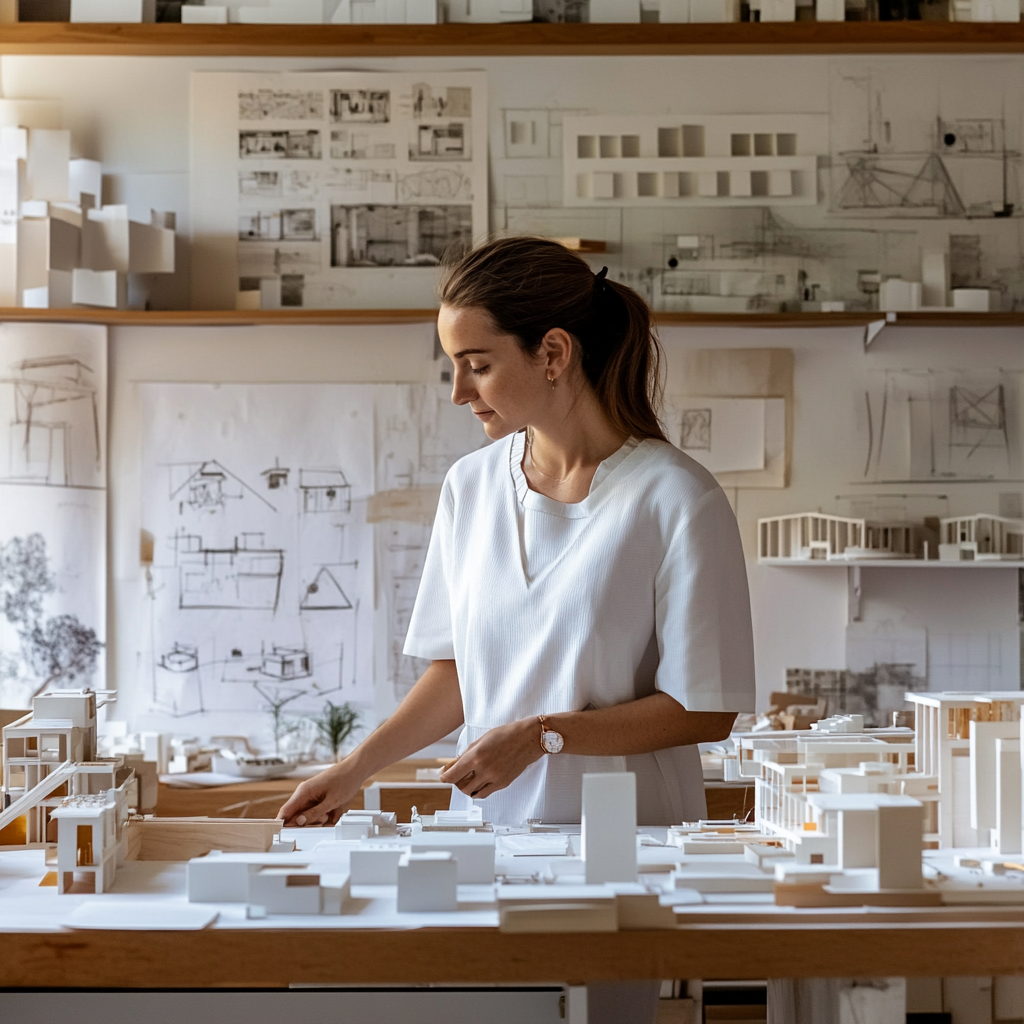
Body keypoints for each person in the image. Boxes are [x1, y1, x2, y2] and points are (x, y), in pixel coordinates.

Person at [279, 236, 755, 1023]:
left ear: (554, 353)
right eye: (452, 364)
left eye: (477, 362)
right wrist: (356, 767)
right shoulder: (470, 488)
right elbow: (459, 672)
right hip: (492, 841)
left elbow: (705, 709)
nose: (460, 390)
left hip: (630, 852)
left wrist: (541, 735)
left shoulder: (677, 499)